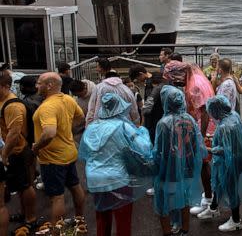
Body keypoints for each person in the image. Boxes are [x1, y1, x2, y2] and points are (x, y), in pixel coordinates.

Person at [79, 93, 154, 236]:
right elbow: (144, 149)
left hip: (95, 179)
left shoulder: (92, 127)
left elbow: (84, 154)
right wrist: (143, 132)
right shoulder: (124, 127)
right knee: (123, 222)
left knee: (102, 219)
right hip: (118, 179)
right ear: (120, 108)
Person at [32, 73, 87, 229]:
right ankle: (79, 222)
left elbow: (49, 133)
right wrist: (66, 130)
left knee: (57, 198)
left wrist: (36, 147)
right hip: (68, 153)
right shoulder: (68, 99)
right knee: (75, 186)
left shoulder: (47, 107)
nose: (37, 86)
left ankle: (58, 232)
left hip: (53, 159)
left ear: (49, 85)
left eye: (39, 82)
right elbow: (80, 116)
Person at [161, 61, 214, 212]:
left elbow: (204, 112)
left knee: (204, 163)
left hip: (204, 128)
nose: (175, 83)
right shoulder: (196, 79)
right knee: (204, 163)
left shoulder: (194, 85)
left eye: (174, 79)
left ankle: (209, 200)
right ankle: (208, 196)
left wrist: (201, 137)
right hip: (202, 126)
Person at [153, 85, 205, 236]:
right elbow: (197, 145)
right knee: (185, 198)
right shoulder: (190, 119)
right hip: (187, 167)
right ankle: (185, 229)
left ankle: (168, 231)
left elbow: (160, 150)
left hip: (169, 169)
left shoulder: (163, 123)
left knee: (164, 201)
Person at [197, 95, 242, 232]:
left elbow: (225, 150)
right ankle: (213, 207)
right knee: (219, 182)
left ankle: (236, 220)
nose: (211, 115)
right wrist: (213, 137)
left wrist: (208, 149)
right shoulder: (233, 115)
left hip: (231, 160)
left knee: (230, 188)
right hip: (239, 157)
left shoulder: (225, 126)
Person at [0, 72, 37, 233]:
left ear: (7, 86)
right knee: (19, 186)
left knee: (25, 185)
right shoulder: (3, 102)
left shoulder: (13, 106)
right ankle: (24, 214)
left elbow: (14, 134)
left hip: (18, 151)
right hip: (11, 151)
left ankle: (31, 219)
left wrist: (4, 154)